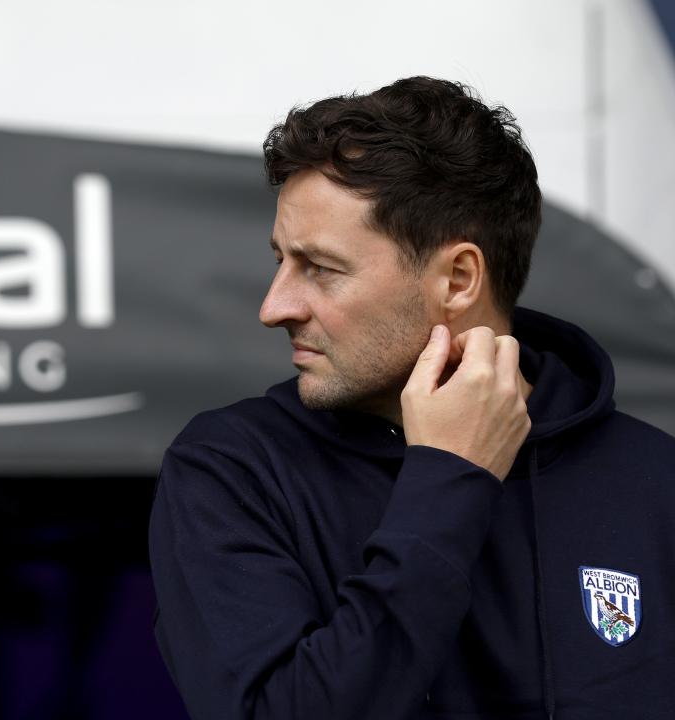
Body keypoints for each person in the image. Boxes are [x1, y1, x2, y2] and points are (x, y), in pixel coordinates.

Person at [147, 77, 675, 720]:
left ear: (458, 279)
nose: (274, 306)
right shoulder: (234, 472)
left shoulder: (655, 482)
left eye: (320, 268)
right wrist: (449, 480)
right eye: (279, 260)